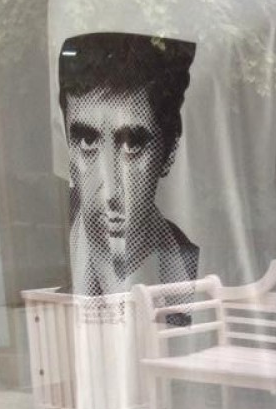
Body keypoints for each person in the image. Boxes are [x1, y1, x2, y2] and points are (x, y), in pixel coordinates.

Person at [58, 33, 197, 296]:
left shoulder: (194, 272)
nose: (110, 192)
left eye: (132, 145)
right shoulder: (54, 265)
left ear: (169, 153)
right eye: (87, 141)